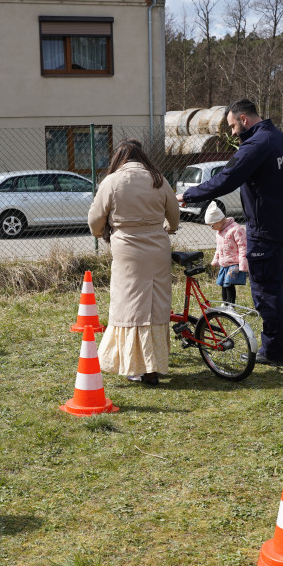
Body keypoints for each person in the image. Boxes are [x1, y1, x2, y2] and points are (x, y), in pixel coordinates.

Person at [178, 99, 283, 365]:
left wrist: (188, 195)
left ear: (244, 119)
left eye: (233, 125)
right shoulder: (282, 139)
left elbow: (226, 178)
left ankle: (272, 352)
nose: (233, 132)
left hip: (265, 230)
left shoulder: (256, 145)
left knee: (266, 292)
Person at [88, 139, 180, 386]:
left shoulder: (112, 181)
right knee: (156, 302)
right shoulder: (158, 179)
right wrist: (168, 229)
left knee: (129, 304)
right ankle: (154, 365)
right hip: (158, 248)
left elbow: (96, 218)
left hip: (127, 248)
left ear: (119, 158)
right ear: (142, 157)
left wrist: (100, 232)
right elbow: (174, 215)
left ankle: (134, 365)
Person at [204, 201, 248, 305]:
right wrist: (216, 260)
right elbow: (219, 248)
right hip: (224, 263)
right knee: (223, 284)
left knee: (229, 284)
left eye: (212, 225)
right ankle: (225, 303)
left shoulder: (236, 229)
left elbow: (243, 246)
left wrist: (243, 263)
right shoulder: (219, 233)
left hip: (234, 263)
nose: (212, 228)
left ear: (218, 221)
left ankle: (231, 305)